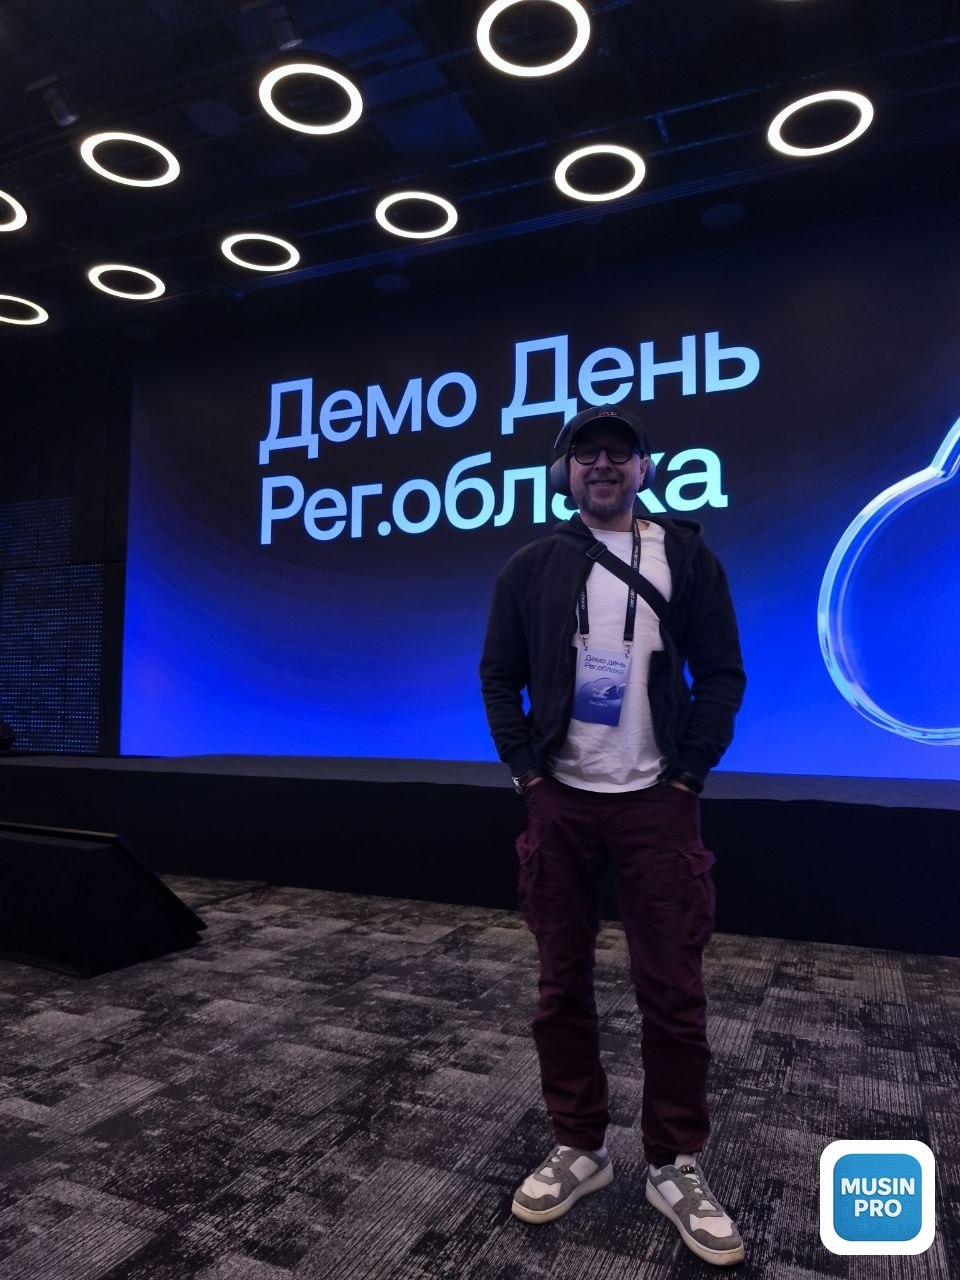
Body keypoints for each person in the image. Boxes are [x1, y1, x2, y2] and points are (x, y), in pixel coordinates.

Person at [479, 406, 747, 1267]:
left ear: (643, 469)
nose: (603, 464)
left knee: (673, 990)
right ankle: (581, 1146)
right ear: (564, 472)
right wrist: (527, 774)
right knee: (560, 987)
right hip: (560, 799)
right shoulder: (530, 566)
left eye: (619, 453)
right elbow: (498, 677)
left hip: (656, 801)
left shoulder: (687, 558)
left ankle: (674, 1164)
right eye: (587, 452)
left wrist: (689, 772)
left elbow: (723, 673)